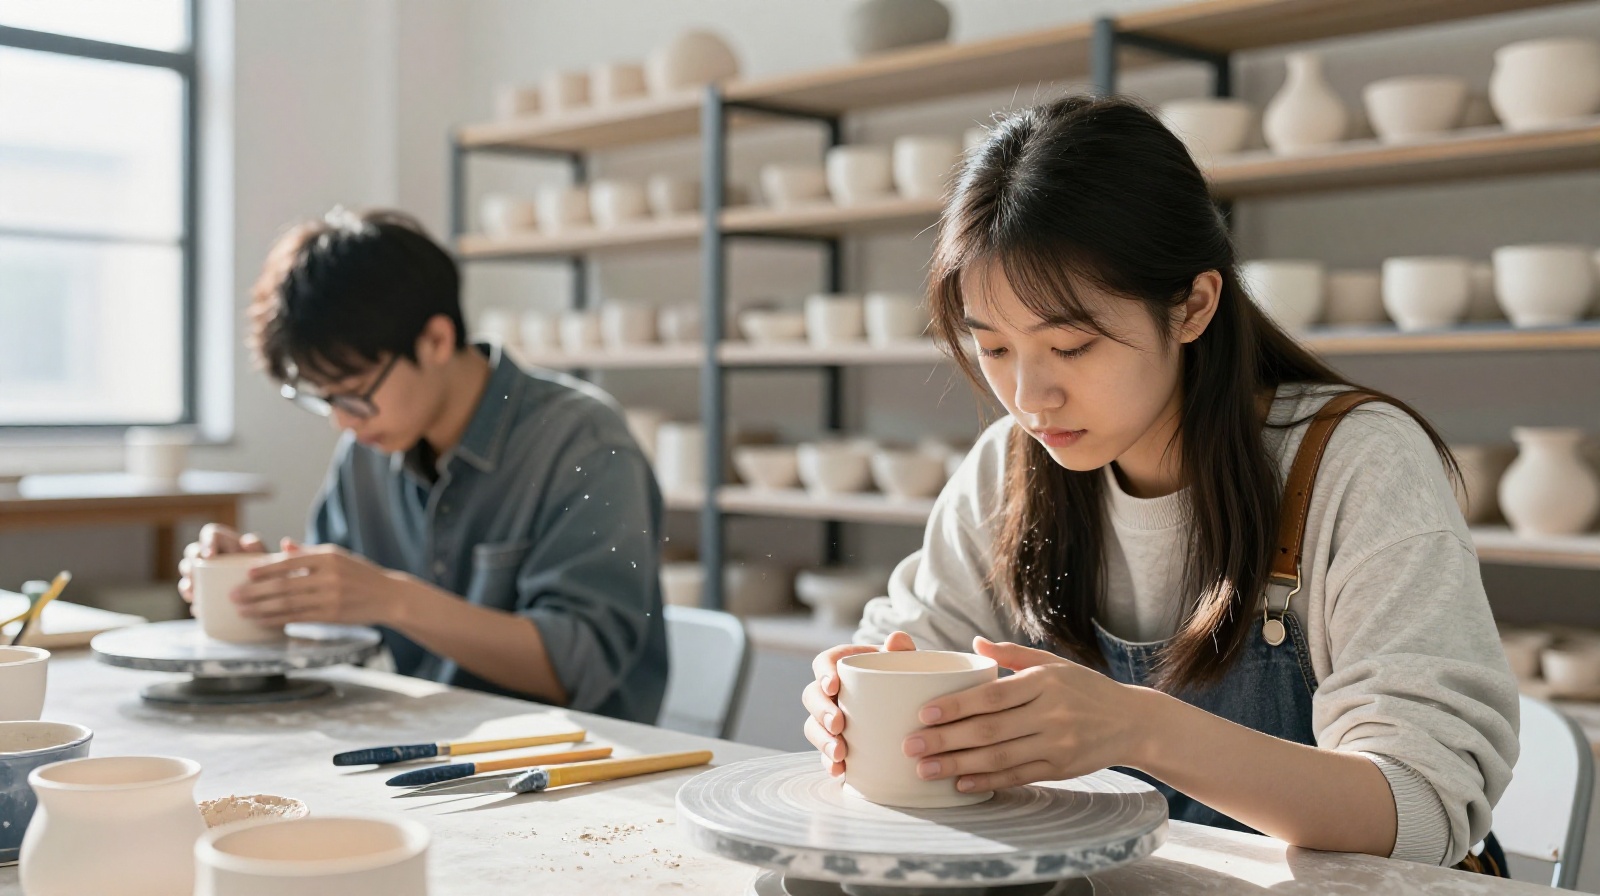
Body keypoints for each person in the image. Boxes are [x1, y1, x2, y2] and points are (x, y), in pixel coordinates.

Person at [801, 96, 1519, 870]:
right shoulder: (1011, 465)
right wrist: (849, 704)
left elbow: (1419, 809)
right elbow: (905, 649)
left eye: (1071, 346)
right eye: (995, 349)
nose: (1029, 397)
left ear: (1193, 305)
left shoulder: (1355, 464)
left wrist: (1141, 729)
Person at [179, 208, 667, 723]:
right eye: (324, 399)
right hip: (426, 744)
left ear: (435, 340)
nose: (342, 422)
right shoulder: (369, 445)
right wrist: (261, 586)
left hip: (580, 765)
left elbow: (578, 667)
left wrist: (392, 599)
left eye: (354, 394)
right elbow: (335, 631)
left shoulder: (583, 444)